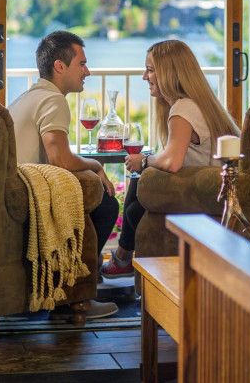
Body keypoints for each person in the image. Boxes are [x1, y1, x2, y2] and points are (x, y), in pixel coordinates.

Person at [101, 39, 240, 278]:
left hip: (206, 195)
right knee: (137, 194)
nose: (145, 77)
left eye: (150, 70)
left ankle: (122, 259)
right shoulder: (197, 104)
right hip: (210, 192)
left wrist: (144, 161)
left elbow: (173, 162)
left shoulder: (183, 108)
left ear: (169, 73)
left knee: (136, 206)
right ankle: (122, 259)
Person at [8, 30, 119, 319]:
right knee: (106, 200)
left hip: (11, 193)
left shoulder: (26, 97)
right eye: (81, 64)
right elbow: (61, 160)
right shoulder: (54, 100)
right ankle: (75, 299)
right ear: (60, 66)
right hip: (23, 199)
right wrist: (95, 165)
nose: (88, 71)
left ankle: (72, 287)